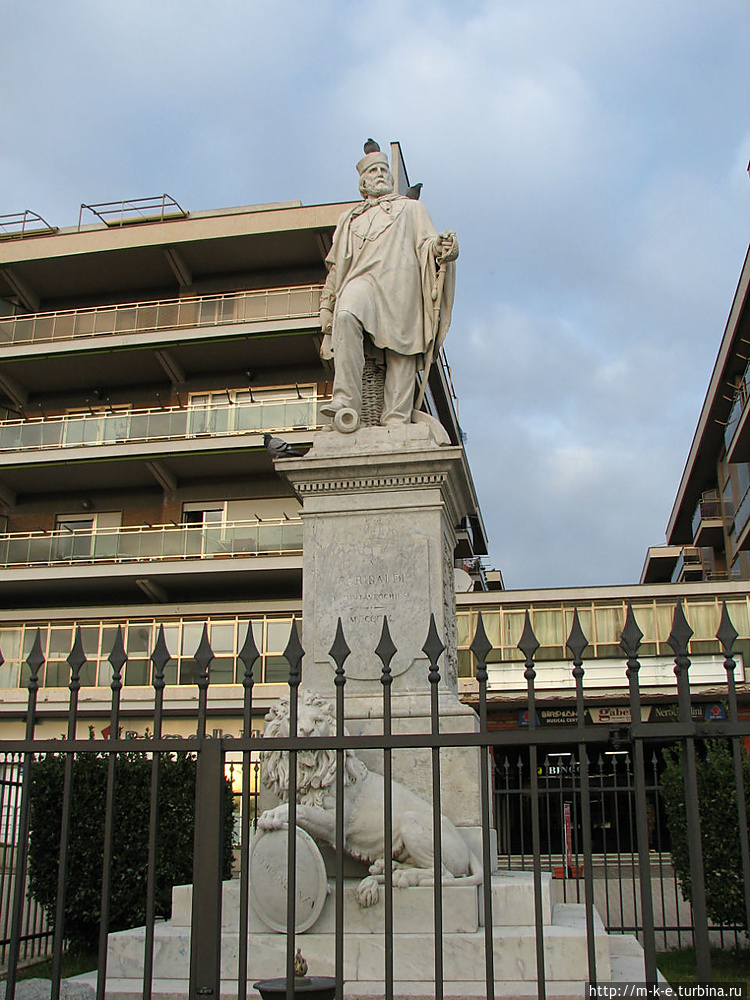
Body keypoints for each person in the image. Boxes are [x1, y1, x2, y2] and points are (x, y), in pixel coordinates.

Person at [319, 141, 458, 429]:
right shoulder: (348, 220)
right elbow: (335, 270)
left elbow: (428, 244)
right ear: (363, 183)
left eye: (384, 169)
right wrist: (326, 308)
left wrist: (443, 247)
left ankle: (396, 419)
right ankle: (346, 402)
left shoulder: (411, 209)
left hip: (401, 285)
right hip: (362, 282)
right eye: (373, 170)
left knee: (402, 351)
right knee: (346, 316)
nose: (380, 173)